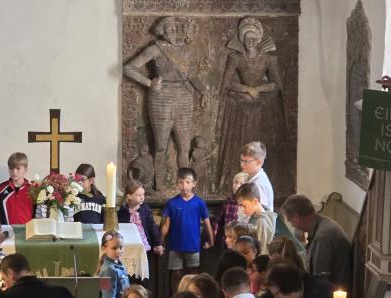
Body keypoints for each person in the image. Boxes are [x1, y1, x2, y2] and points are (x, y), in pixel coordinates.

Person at [123, 16, 209, 190]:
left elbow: (191, 76)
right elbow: (129, 68)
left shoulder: (185, 50)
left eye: (175, 29)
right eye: (168, 29)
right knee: (161, 145)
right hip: (161, 98)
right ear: (162, 31)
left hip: (183, 96)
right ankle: (159, 185)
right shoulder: (155, 49)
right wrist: (149, 83)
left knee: (183, 145)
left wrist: (204, 91)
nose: (172, 32)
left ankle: (186, 186)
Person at [216, 17, 291, 198]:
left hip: (262, 102)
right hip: (242, 100)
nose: (250, 42)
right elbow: (227, 83)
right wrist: (246, 89)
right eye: (247, 38)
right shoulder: (236, 58)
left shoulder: (268, 59)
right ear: (242, 39)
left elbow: (276, 84)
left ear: (259, 40)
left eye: (254, 39)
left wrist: (258, 89)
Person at [281, 194, 352, 288]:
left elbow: (320, 281)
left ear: (297, 218)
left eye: (290, 220)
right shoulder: (323, 224)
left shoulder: (322, 238)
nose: (292, 225)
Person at [161, 168, 214, 292]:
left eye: (187, 182)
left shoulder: (199, 203)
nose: (184, 186)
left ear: (194, 183)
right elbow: (165, 225)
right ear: (177, 183)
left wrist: (211, 241)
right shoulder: (172, 203)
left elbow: (207, 223)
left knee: (193, 274)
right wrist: (160, 242)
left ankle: (194, 297)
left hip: (193, 244)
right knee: (176, 275)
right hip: (175, 245)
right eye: (181, 182)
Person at [235, 182, 276, 254]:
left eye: (244, 206)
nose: (242, 209)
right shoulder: (264, 214)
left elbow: (259, 250)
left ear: (255, 201)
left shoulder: (260, 221)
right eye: (240, 206)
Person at [0, 152, 33, 224]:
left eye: (18, 168)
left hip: (28, 232)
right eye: (11, 168)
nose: (14, 172)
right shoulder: (1, 188)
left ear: (26, 170)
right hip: (7, 232)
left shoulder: (33, 189)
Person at [211, 172, 249, 247]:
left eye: (241, 184)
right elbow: (216, 221)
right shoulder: (228, 201)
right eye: (236, 182)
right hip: (227, 241)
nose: (237, 186)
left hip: (242, 242)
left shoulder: (248, 204)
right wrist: (212, 238)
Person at [235, 142, 274, 212]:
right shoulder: (249, 179)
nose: (242, 165)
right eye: (241, 160)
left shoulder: (259, 185)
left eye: (246, 161)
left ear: (259, 162)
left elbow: (260, 215)